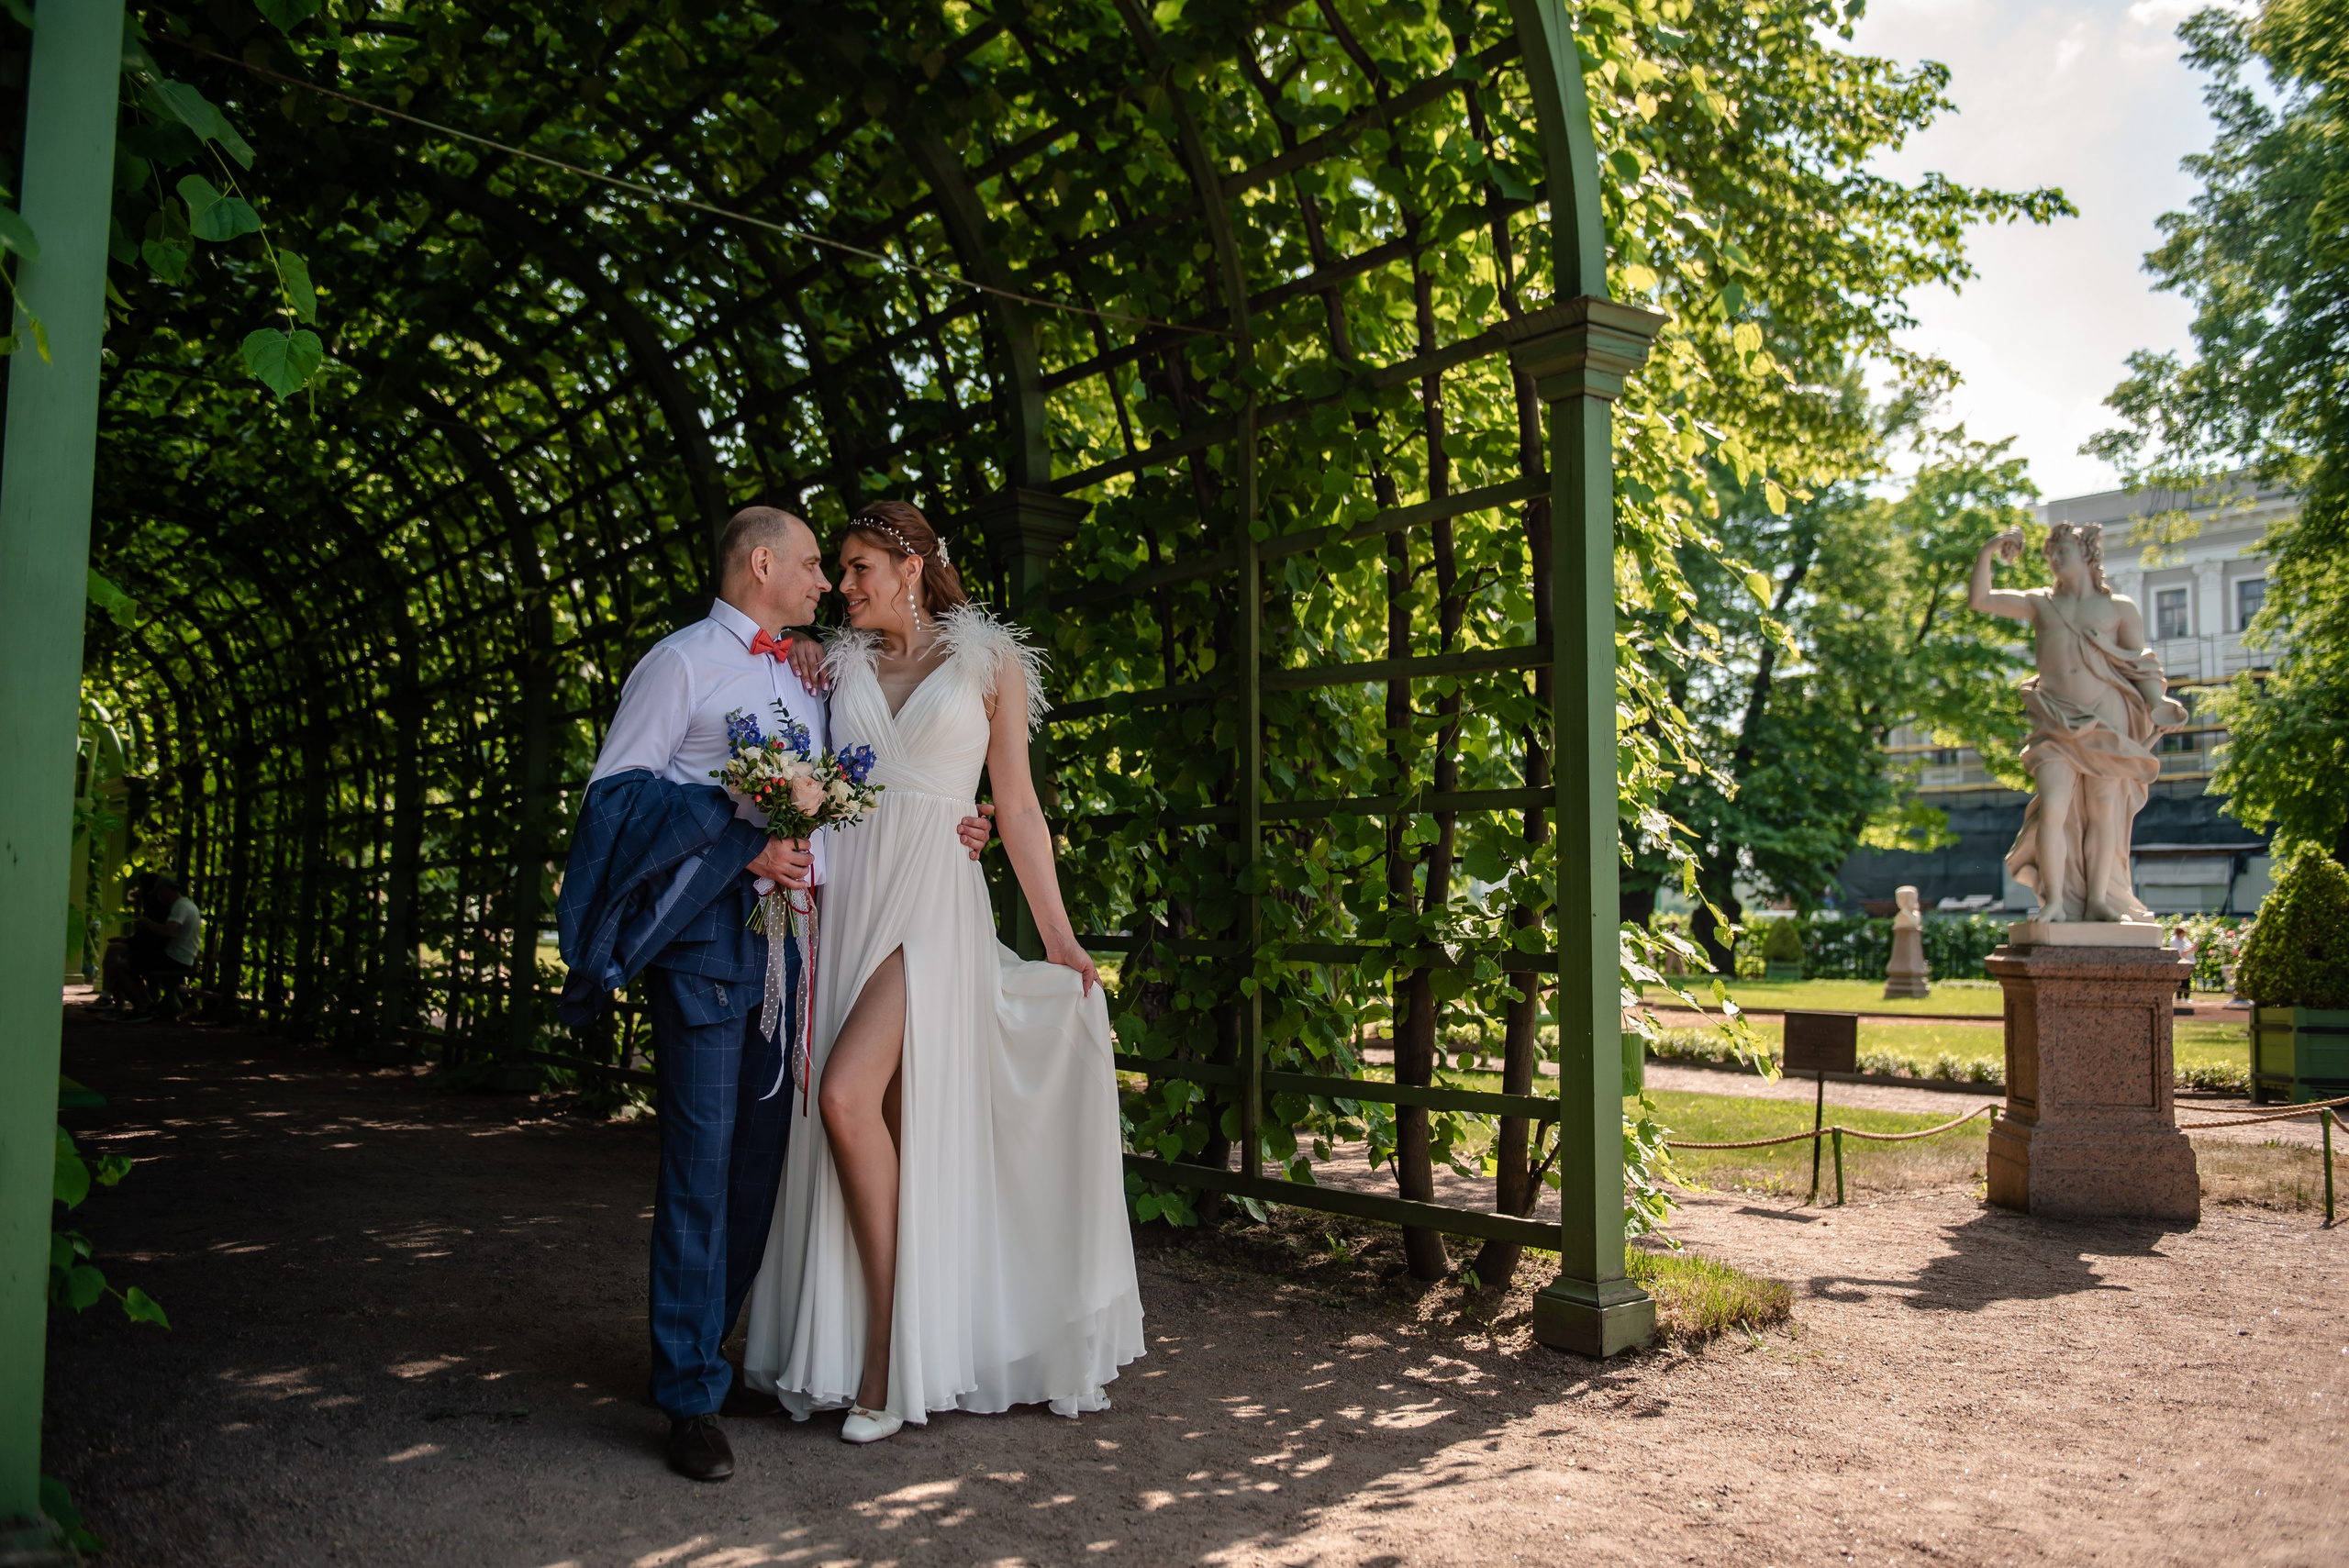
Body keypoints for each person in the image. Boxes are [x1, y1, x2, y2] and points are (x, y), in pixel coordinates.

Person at [555, 506, 996, 1484]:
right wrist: (739, 834)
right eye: (810, 564)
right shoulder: (678, 664)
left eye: (840, 568)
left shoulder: (802, 672)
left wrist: (974, 821)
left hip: (800, 949)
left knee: (760, 1163)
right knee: (701, 1165)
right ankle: (683, 1400)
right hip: (710, 946)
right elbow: (615, 799)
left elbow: (882, 784)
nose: (825, 585)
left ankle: (704, 1357)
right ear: (762, 564)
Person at [741, 500, 1142, 1444]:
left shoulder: (986, 661)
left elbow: (1017, 808)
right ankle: (868, 1344)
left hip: (932, 904)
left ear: (910, 564)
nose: (843, 587)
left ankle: (887, 1352)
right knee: (872, 1119)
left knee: (844, 1095)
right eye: (837, 570)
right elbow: (805, 761)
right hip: (852, 903)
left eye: (858, 568)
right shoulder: (833, 665)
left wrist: (1059, 935)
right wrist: (802, 665)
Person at [1971, 521, 2187, 924]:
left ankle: (2097, 900)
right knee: (2053, 807)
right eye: (2049, 553)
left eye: (2062, 550)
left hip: (2108, 718)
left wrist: (2159, 702)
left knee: (2104, 809)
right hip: (2054, 720)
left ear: (2088, 554)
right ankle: (2054, 902)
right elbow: (1981, 599)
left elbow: (2140, 665)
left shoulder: (2118, 608)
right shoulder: (2040, 603)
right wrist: (1988, 551)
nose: (2054, 559)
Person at [122, 873, 203, 1020]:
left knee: (122, 966)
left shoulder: (180, 906)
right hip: (183, 957)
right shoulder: (189, 905)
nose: (158, 896)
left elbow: (168, 931)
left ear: (166, 889)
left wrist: (146, 921)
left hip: (175, 958)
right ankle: (147, 1004)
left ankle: (143, 1006)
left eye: (159, 892)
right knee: (134, 962)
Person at [2171, 924, 2198, 1000]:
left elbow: (2189, 947)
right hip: (2180, 963)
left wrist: (2193, 947)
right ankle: (2179, 998)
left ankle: (2186, 997)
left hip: (2188, 962)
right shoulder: (2174, 941)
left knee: (2187, 981)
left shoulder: (2185, 939)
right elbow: (2180, 953)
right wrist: (2190, 949)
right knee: (2181, 981)